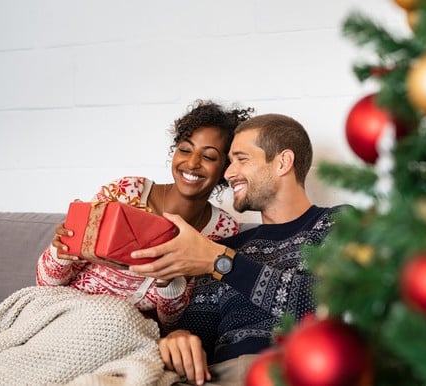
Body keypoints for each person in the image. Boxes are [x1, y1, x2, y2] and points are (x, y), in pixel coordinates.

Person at [129, 113, 345, 385]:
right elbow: (198, 333)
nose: (229, 173)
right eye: (229, 162)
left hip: (296, 369)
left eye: (242, 159)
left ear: (283, 162)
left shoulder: (335, 223)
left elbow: (333, 308)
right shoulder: (225, 246)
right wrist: (179, 339)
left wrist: (222, 263)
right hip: (220, 376)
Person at [36, 99, 254, 331]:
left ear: (225, 168)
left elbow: (172, 324)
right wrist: (61, 251)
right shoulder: (125, 192)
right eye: (185, 149)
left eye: (208, 157)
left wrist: (168, 278)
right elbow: (46, 286)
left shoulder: (222, 230)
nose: (192, 163)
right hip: (67, 317)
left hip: (130, 334)